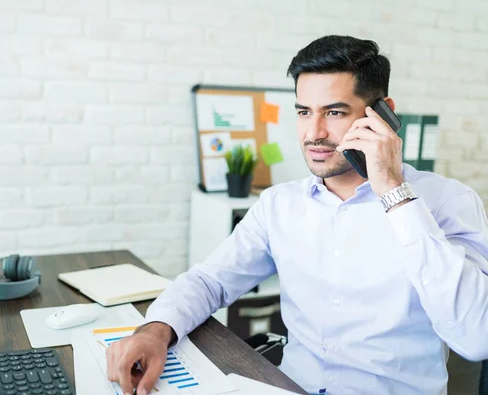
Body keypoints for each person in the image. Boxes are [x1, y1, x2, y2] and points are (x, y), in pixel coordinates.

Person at [105, 35, 488, 395]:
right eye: (304, 112)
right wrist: (155, 331)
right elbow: (210, 280)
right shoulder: (279, 204)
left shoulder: (448, 202)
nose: (313, 133)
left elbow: (475, 337)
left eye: (334, 112)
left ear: (383, 115)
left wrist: (393, 190)